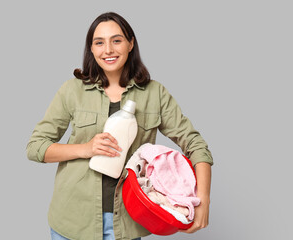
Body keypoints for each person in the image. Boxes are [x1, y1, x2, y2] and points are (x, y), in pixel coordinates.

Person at [26, 12, 213, 240]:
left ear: (130, 43)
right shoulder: (72, 91)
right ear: (92, 49)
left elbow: (196, 145)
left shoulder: (155, 94)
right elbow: (36, 147)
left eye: (116, 40)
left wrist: (202, 201)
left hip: (127, 223)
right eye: (99, 43)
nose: (108, 50)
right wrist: (86, 148)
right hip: (72, 221)